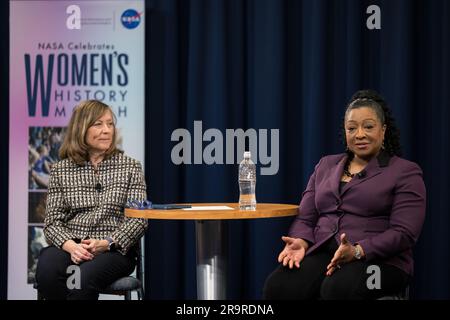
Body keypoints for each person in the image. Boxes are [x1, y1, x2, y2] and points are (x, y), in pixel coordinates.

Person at [263, 90, 426, 300]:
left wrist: (358, 251)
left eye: (368, 127)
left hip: (382, 263)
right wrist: (302, 241)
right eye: (352, 128)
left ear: (383, 130)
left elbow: (404, 233)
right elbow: (306, 216)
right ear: (345, 131)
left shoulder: (405, 171)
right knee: (279, 287)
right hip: (327, 253)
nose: (359, 134)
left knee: (338, 289)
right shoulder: (326, 165)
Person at [35, 100, 148, 300]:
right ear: (81, 129)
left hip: (113, 251)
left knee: (82, 277)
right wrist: (71, 246)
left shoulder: (130, 167)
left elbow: (138, 220)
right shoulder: (61, 170)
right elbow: (52, 222)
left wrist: (107, 243)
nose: (106, 130)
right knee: (47, 268)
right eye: (98, 124)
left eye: (110, 124)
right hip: (71, 245)